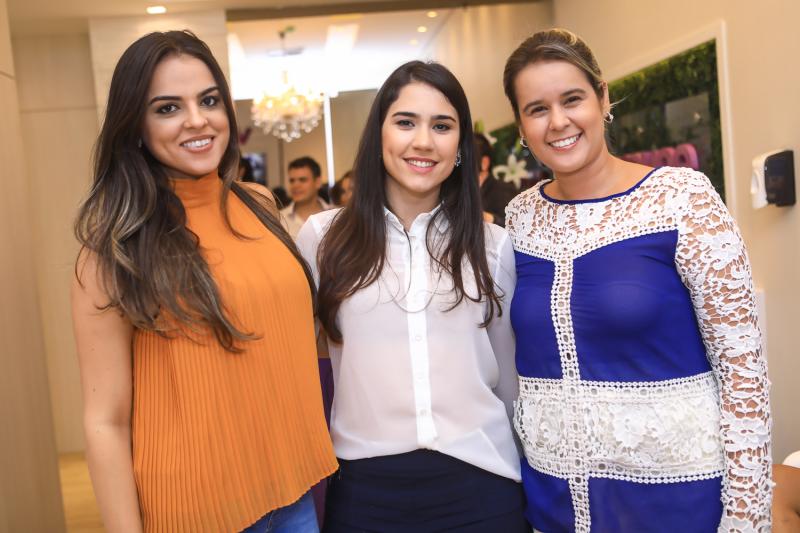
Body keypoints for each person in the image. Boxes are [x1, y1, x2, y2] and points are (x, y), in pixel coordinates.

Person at [502, 28, 772, 532]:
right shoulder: (519, 218)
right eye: (537, 109)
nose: (558, 122)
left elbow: (743, 375)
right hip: (554, 504)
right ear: (521, 125)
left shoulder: (682, 199)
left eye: (572, 99)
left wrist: (746, 516)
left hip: (677, 502)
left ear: (603, 98)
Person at [71, 30, 336, 533]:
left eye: (209, 100)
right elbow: (105, 421)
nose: (197, 120)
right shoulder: (113, 251)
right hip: (195, 511)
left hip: (293, 491)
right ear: (135, 125)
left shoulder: (258, 204)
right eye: (168, 108)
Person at [296, 60, 526, 533]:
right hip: (364, 492)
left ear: (460, 147)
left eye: (442, 126)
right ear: (378, 135)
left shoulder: (494, 246)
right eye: (405, 122)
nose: (423, 141)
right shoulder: (323, 238)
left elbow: (510, 381)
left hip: (482, 485)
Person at [280, 156, 331, 239]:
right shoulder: (279, 220)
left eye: (302, 180)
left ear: (318, 182)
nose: (296, 185)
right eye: (292, 181)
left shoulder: (335, 216)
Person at [474, 133, 518, 226]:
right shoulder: (459, 193)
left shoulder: (504, 191)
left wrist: (490, 218)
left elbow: (516, 227)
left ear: (484, 163)